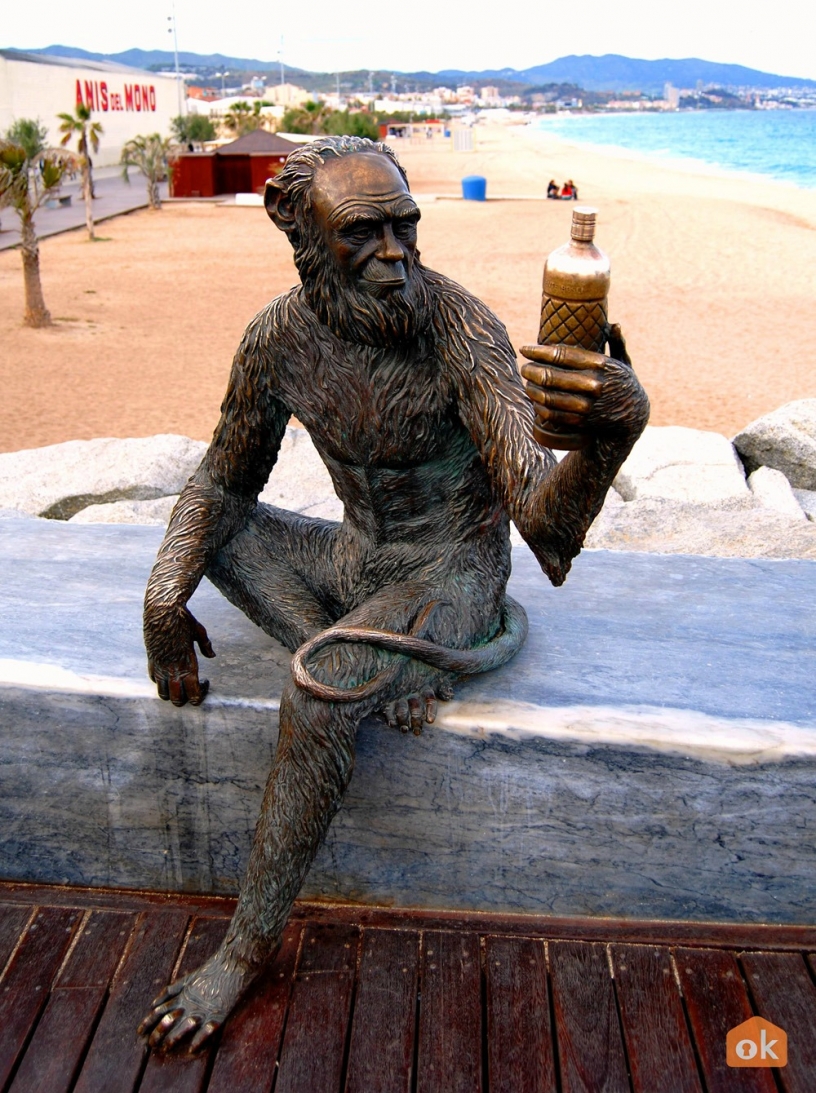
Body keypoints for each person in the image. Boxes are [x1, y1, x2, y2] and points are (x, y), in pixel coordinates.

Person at [139, 135, 648, 1052]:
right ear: (300, 235)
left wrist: (610, 439)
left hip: (452, 571)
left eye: (405, 228)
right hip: (358, 558)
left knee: (318, 696)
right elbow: (221, 486)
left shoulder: (459, 328)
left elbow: (550, 537)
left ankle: (246, 948)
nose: (396, 256)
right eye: (363, 235)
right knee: (215, 534)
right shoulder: (276, 340)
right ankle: (358, 657)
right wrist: (162, 598)